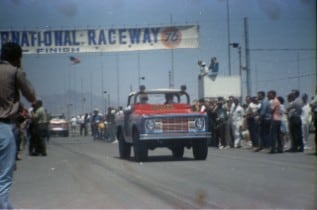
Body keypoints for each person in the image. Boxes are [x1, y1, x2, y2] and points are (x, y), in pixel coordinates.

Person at [0, 42, 37, 209]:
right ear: (18, 58)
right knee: (3, 178)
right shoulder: (15, 72)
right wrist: (21, 72)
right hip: (4, 128)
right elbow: (31, 96)